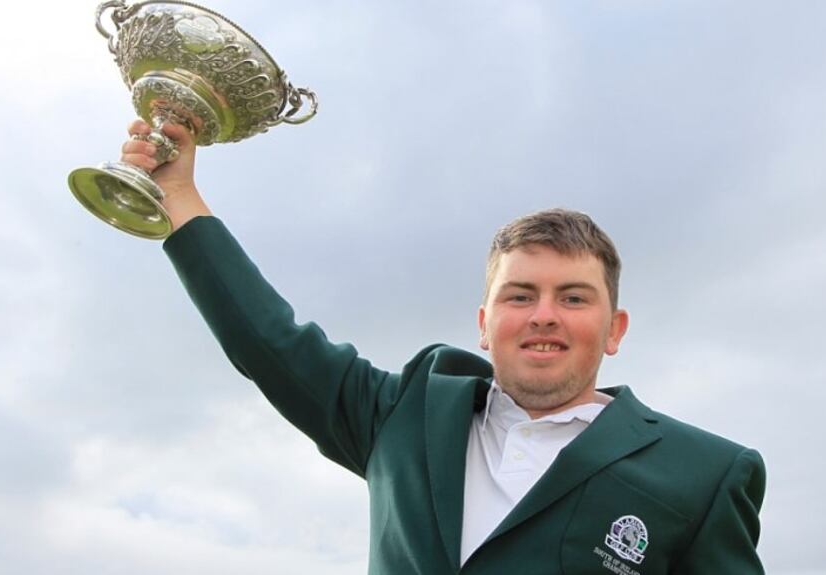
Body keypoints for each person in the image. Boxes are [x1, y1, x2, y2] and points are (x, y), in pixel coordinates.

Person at [121, 120, 767, 574]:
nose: (544, 316)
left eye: (573, 297)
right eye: (520, 296)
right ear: (484, 324)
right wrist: (177, 194)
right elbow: (270, 340)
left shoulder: (704, 475)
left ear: (615, 328)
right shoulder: (400, 414)